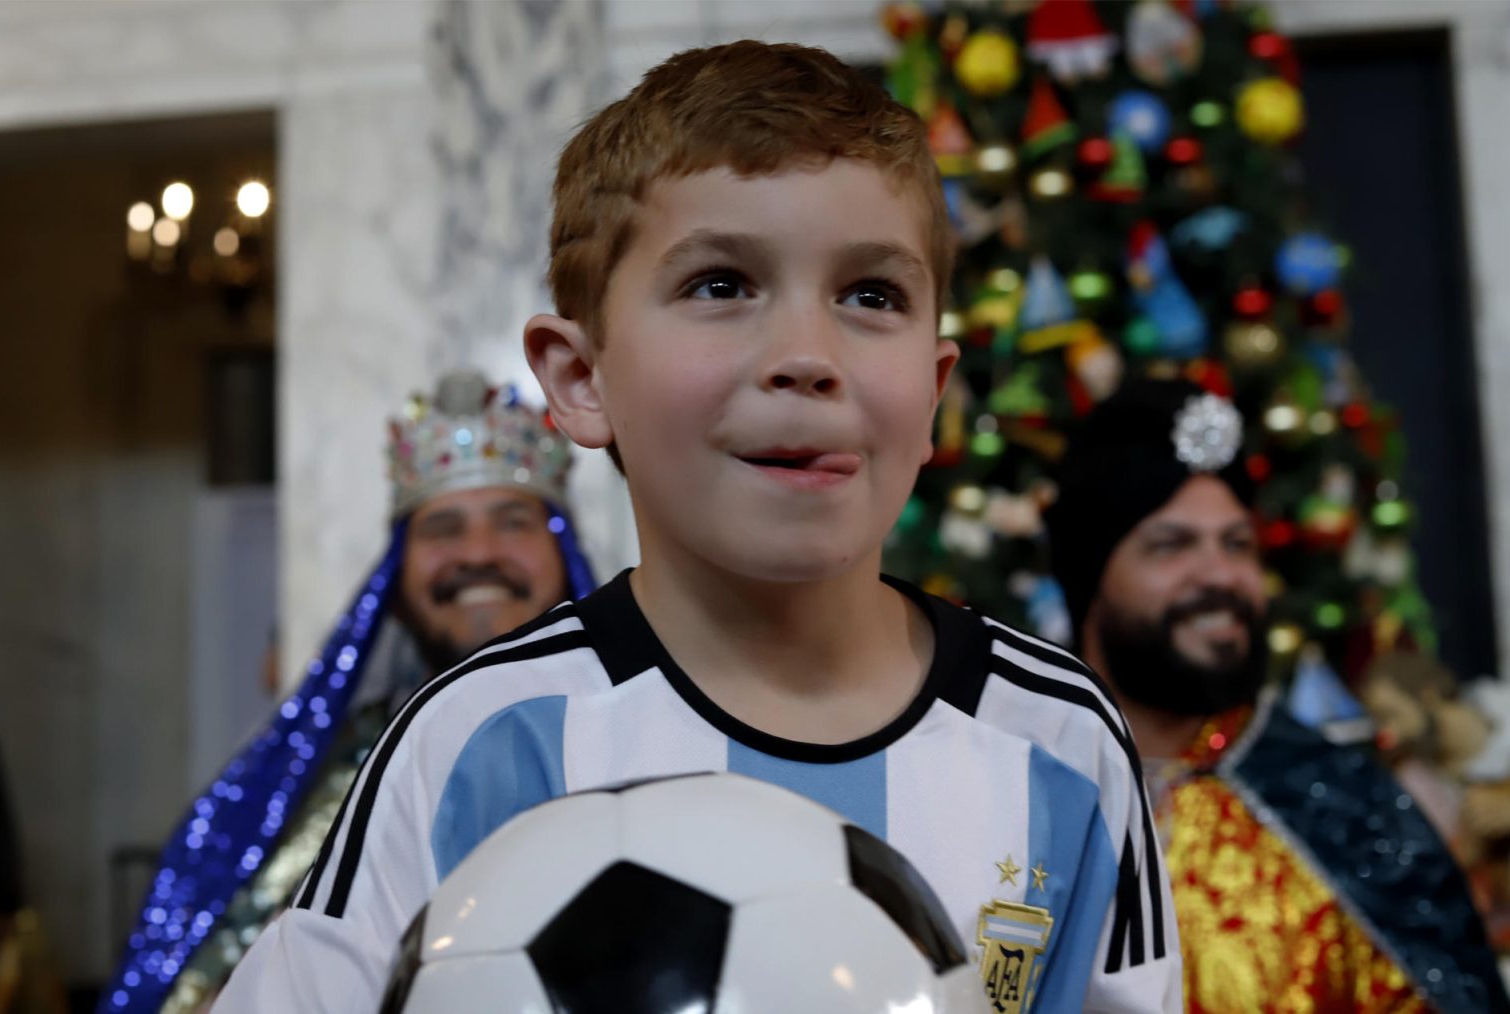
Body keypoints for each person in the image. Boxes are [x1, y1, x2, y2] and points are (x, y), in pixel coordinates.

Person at [216, 41, 1180, 1013]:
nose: (807, 356)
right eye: (721, 284)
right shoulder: (477, 742)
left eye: (870, 295)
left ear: (932, 394)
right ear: (582, 379)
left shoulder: (1060, 740)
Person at [102, 370, 596, 1013]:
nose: (478, 552)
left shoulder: (638, 731)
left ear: (562, 552)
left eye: (512, 522)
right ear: (398, 569)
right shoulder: (347, 766)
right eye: (443, 528)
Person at [1044, 376, 1507, 1013]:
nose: (1220, 574)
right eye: (1171, 544)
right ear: (1091, 580)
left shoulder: (1344, 806)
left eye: (1238, 544)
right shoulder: (1021, 785)